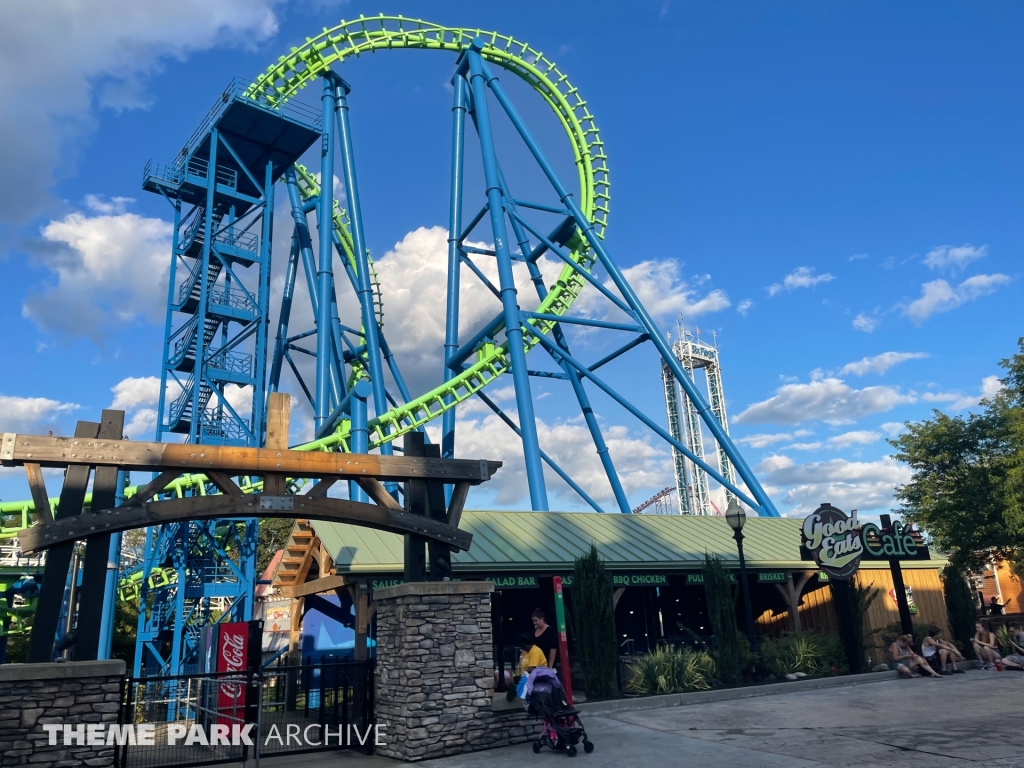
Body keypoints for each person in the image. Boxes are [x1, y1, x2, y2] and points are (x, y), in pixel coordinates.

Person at [507, 633, 548, 701]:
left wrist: (520, 677)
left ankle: (516, 691)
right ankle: (515, 689)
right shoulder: (527, 652)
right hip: (527, 675)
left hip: (537, 677)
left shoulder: (535, 651)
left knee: (520, 681)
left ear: (524, 644)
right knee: (509, 680)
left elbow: (532, 669)